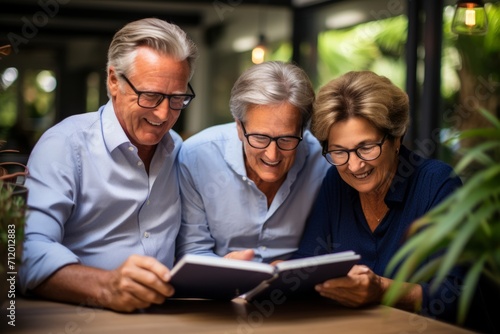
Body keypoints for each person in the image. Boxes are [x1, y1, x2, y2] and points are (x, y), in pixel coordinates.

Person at [19, 18, 198, 312]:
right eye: (150, 95)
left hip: (168, 316)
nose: (164, 113)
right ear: (113, 80)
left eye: (177, 98)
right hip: (80, 316)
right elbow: (24, 252)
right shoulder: (64, 145)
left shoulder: (180, 150)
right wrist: (107, 286)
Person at [293, 70, 464, 322]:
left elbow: (457, 295)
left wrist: (382, 290)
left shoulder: (437, 184)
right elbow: (306, 265)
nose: (354, 166)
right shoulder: (335, 182)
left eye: (366, 148)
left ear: (397, 138)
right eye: (339, 151)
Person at [176, 61, 330, 263]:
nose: (272, 155)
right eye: (260, 138)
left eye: (286, 139)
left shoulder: (323, 162)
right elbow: (192, 251)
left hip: (294, 290)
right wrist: (224, 269)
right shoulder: (197, 156)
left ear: (302, 130)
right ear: (239, 127)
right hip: (217, 290)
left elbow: (328, 244)